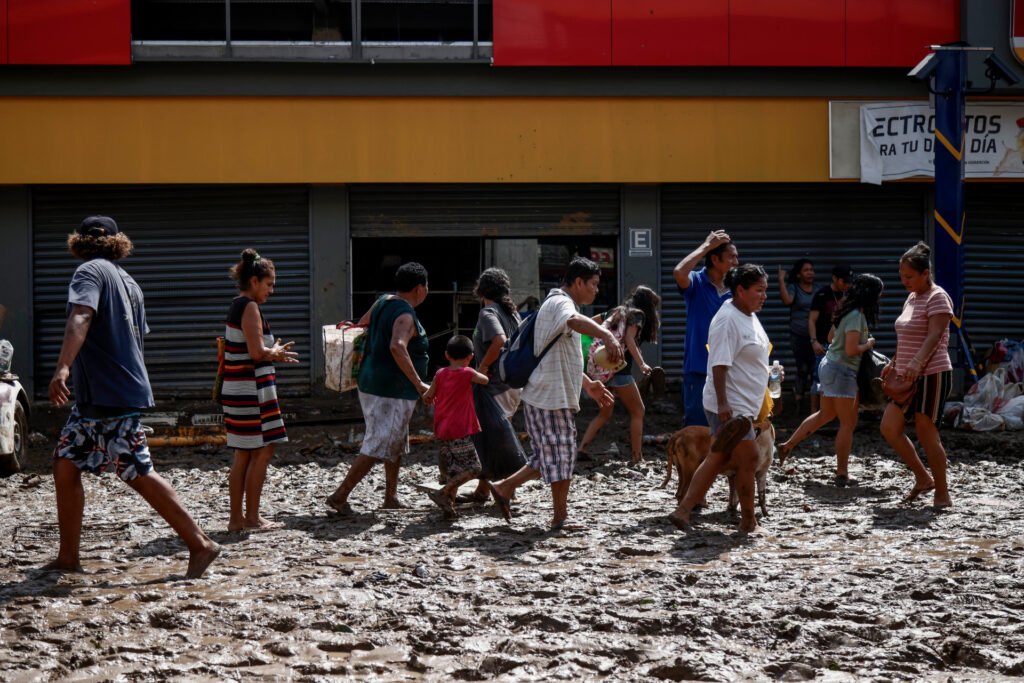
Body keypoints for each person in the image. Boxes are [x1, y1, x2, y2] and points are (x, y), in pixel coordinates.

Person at [46, 216, 220, 579]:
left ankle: (200, 543)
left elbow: (81, 315)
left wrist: (63, 367)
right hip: (99, 399)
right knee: (65, 464)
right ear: (116, 242)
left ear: (79, 242)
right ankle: (68, 557)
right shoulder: (129, 282)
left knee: (138, 471)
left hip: (111, 396)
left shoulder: (88, 272)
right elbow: (135, 338)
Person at [486, 257, 622, 531]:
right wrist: (606, 335)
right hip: (548, 396)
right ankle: (559, 518)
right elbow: (574, 320)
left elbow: (559, 358)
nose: (596, 290)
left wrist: (588, 385)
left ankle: (503, 488)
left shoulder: (559, 304)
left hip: (551, 395)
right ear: (578, 282)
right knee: (562, 455)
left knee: (551, 455)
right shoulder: (561, 302)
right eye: (593, 284)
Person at [669, 264, 772, 534]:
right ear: (740, 290)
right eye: (759, 290)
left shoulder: (749, 314)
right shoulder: (727, 319)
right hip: (730, 404)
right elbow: (718, 364)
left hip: (744, 404)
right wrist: (724, 404)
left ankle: (683, 511)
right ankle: (749, 521)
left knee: (717, 457)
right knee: (748, 458)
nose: (764, 296)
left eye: (765, 290)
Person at [326, 262, 430, 514]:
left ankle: (391, 497)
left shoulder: (383, 301)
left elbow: (361, 326)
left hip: (372, 382)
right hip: (390, 388)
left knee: (394, 440)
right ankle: (340, 496)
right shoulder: (405, 314)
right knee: (378, 442)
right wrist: (419, 384)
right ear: (419, 289)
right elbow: (397, 346)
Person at [778, 274, 884, 486]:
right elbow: (852, 349)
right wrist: (869, 343)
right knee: (848, 423)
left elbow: (829, 338)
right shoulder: (855, 316)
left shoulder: (846, 310)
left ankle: (788, 445)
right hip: (842, 371)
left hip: (830, 366)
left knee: (825, 414)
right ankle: (842, 473)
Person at [222, 249, 299, 531]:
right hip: (251, 390)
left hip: (240, 388)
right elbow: (256, 353)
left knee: (244, 453)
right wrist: (275, 352)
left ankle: (237, 520)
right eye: (269, 284)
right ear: (254, 281)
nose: (271, 290)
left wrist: (271, 352)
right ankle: (252, 518)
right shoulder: (250, 307)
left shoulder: (237, 305)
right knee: (263, 450)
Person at [880, 242, 954, 508]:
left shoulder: (938, 297)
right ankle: (923, 478)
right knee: (889, 427)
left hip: (932, 373)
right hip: (905, 374)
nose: (904, 281)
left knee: (926, 432)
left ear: (926, 273)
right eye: (901, 276)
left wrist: (917, 362)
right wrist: (896, 362)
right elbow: (907, 336)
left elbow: (935, 335)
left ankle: (942, 493)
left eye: (909, 276)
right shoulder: (911, 298)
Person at [578, 285, 662, 464]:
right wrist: (642, 364)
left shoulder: (615, 312)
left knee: (604, 413)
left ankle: (582, 448)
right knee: (638, 411)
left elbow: (590, 322)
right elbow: (630, 339)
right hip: (619, 370)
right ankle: (637, 457)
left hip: (602, 369)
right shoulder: (637, 315)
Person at [468, 267, 527, 501]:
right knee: (497, 437)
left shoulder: (488, 313)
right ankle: (483, 490)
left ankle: (507, 488)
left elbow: (499, 340)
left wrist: (482, 368)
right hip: (513, 385)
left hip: (494, 385)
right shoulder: (513, 314)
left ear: (481, 290)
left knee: (494, 440)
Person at [672, 230, 738, 426]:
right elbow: (679, 272)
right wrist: (706, 246)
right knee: (697, 428)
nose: (736, 262)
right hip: (699, 368)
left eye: (737, 257)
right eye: (731, 257)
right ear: (715, 260)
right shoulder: (697, 282)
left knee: (728, 428)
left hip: (730, 369)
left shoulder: (736, 289)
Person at [421, 335, 489, 518]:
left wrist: (430, 397)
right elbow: (485, 380)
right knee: (474, 468)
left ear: (446, 355)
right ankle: (444, 492)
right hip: (460, 430)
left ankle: (448, 507)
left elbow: (427, 395)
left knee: (453, 469)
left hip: (443, 429)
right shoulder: (467, 373)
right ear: (470, 357)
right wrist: (482, 369)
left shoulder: (440, 374)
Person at [808, 264, 853, 414]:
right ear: (834, 278)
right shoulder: (822, 294)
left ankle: (833, 412)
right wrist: (814, 341)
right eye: (843, 281)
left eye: (848, 281)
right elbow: (812, 319)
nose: (846, 284)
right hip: (822, 343)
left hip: (841, 345)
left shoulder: (849, 296)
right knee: (817, 378)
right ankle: (814, 412)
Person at [777, 258, 816, 408]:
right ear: (799, 274)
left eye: (811, 270)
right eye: (806, 270)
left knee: (814, 369)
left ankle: (812, 405)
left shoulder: (818, 289)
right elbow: (787, 300)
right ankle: (798, 401)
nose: (810, 273)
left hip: (814, 337)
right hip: (798, 335)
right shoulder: (794, 288)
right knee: (802, 369)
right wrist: (781, 280)